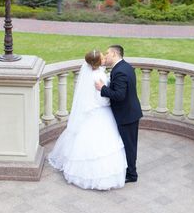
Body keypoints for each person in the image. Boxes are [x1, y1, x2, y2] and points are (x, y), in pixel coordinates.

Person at [48, 50, 127, 190]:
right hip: (99, 113)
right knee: (102, 145)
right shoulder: (97, 77)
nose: (104, 58)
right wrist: (108, 98)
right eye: (102, 57)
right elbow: (101, 100)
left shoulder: (92, 73)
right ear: (97, 63)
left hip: (90, 114)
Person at [95, 45, 142, 183]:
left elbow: (119, 95)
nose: (106, 55)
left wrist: (102, 88)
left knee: (129, 145)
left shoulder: (120, 71)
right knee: (130, 144)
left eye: (107, 53)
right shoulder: (125, 66)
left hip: (127, 115)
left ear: (115, 54)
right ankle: (130, 170)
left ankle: (132, 175)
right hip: (130, 112)